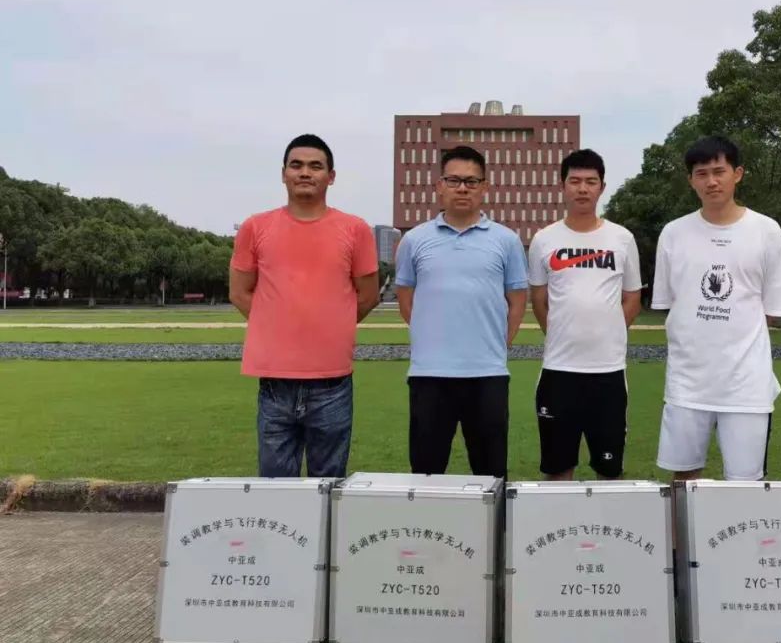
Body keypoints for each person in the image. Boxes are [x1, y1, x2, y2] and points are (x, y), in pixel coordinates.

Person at [229, 134, 379, 478]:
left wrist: (330, 325)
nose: (305, 173)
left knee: (329, 483)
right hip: (275, 380)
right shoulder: (255, 227)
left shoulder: (355, 229)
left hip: (332, 381)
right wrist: (278, 326)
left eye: (315, 166)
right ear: (283, 173)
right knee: (275, 484)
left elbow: (367, 295)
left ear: (331, 176)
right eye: (296, 165)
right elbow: (239, 292)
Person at [652, 135, 781, 483]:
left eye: (719, 171)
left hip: (746, 384)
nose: (711, 181)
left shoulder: (766, 231)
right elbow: (672, 303)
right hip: (687, 382)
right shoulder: (673, 233)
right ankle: (683, 526)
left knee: (744, 482)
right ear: (691, 180)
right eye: (702, 174)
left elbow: (771, 310)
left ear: (737, 174)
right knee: (684, 478)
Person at [394, 145, 528, 479]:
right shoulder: (415, 240)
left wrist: (497, 345)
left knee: (491, 475)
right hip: (429, 374)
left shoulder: (506, 240)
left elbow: (517, 302)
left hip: (487, 374)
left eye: (471, 181)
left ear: (485, 187)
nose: (463, 188)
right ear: (439, 186)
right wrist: (432, 337)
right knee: (426, 473)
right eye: (454, 180)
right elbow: (406, 299)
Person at [528, 149, 642, 480]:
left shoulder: (622, 238)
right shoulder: (544, 239)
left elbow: (632, 297)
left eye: (590, 182)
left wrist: (609, 332)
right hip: (558, 371)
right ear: (562, 186)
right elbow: (539, 299)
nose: (582, 188)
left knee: (609, 471)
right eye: (575, 181)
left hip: (608, 373)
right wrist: (561, 332)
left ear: (602, 187)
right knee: (558, 469)